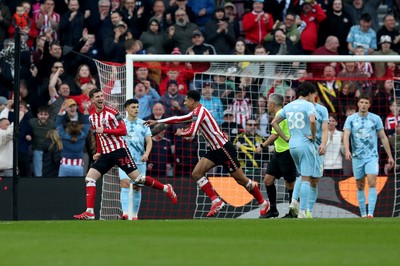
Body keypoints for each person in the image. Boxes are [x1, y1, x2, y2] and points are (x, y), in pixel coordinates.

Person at [144, 90, 270, 218]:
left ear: (192, 101)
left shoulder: (200, 112)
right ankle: (216, 200)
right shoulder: (196, 112)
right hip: (215, 150)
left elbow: (192, 132)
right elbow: (179, 118)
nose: (185, 103)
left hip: (224, 149)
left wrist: (182, 133)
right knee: (196, 173)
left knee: (241, 180)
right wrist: (158, 122)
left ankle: (263, 202)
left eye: (186, 100)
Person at [73, 88, 177, 220]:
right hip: (106, 154)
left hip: (119, 151)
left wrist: (105, 129)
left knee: (138, 179)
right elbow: (98, 136)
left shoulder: (112, 112)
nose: (100, 98)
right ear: (92, 100)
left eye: (101, 96)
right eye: (97, 97)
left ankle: (166, 188)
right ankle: (90, 212)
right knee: (90, 178)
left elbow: (123, 131)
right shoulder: (92, 117)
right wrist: (99, 151)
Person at [343, 95, 395, 218]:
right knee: (360, 185)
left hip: (372, 156)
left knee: (372, 182)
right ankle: (363, 214)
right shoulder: (351, 119)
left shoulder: (375, 119)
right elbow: (346, 135)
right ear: (358, 104)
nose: (364, 104)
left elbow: (383, 137)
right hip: (357, 157)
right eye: (362, 102)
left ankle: (370, 213)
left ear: (369, 105)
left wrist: (390, 156)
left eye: (366, 102)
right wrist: (347, 150)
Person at [271, 82, 317, 219]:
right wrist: (313, 136)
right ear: (309, 94)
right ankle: (303, 211)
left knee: (300, 175)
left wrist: (285, 137)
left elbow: (273, 122)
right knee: (306, 178)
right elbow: (313, 121)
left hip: (292, 145)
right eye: (313, 95)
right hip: (305, 144)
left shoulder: (288, 106)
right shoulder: (309, 105)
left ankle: (293, 201)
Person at [257, 94, 297, 219]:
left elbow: (275, 135)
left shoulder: (282, 115)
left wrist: (262, 146)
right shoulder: (281, 113)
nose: (267, 105)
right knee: (268, 180)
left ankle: (293, 212)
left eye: (268, 103)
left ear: (273, 105)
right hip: (278, 153)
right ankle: (273, 210)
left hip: (287, 152)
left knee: (289, 183)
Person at [118, 99, 152, 220]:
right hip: (124, 160)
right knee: (125, 183)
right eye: (133, 107)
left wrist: (147, 154)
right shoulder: (121, 124)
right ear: (127, 109)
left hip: (140, 161)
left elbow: (149, 141)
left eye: (137, 107)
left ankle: (135, 215)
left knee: (137, 187)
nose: (136, 109)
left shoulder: (143, 124)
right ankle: (125, 213)